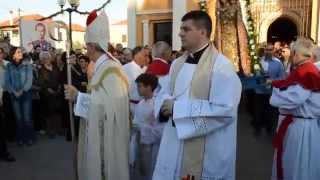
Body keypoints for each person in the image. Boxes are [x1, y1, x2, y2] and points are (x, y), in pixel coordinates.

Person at [152, 10, 242, 180]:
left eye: (186, 29)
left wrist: (177, 109)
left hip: (206, 149)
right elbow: (164, 92)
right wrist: (163, 105)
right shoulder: (177, 64)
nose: (180, 33)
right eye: (181, 29)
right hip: (174, 141)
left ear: (202, 32)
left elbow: (225, 110)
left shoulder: (222, 67)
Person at [64, 10, 130, 180]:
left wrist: (78, 97)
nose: (85, 49)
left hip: (107, 141)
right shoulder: (101, 67)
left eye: (87, 45)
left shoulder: (112, 70)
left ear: (92, 46)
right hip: (97, 132)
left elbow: (109, 108)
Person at [270, 38, 320, 180]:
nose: (291, 56)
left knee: (297, 168)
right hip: (302, 125)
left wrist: (276, 93)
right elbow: (289, 85)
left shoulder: (307, 72)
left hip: (302, 128)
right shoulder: (305, 70)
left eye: (293, 53)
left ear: (297, 54)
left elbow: (294, 99)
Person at [133, 73, 164, 180]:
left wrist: (140, 127)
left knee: (150, 172)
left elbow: (160, 131)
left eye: (140, 86)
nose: (138, 89)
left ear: (149, 87)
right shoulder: (141, 103)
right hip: (139, 142)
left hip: (152, 148)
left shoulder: (157, 104)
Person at [252, 43, 285, 137]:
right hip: (259, 91)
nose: (268, 52)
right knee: (258, 111)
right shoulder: (258, 61)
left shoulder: (278, 63)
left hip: (271, 92)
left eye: (270, 50)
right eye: (267, 50)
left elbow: (282, 78)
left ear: (274, 51)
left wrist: (272, 81)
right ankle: (257, 129)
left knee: (270, 112)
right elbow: (253, 74)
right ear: (264, 50)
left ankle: (269, 129)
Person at [5, 47, 34, 146]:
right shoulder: (9, 66)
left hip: (26, 94)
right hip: (14, 95)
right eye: (18, 52)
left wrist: (22, 90)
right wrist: (13, 91)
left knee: (27, 118)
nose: (21, 53)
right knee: (19, 118)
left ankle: (29, 137)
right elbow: (7, 81)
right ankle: (20, 138)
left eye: (21, 51)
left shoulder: (27, 65)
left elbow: (29, 80)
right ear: (13, 55)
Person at [38, 51, 62, 138]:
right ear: (41, 60)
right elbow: (40, 82)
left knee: (58, 111)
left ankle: (59, 129)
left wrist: (59, 86)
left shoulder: (55, 67)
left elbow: (60, 77)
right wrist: (48, 89)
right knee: (49, 112)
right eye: (44, 58)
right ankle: (51, 131)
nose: (46, 59)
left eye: (47, 58)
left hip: (57, 92)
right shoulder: (41, 70)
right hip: (47, 94)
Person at [123, 46, 149, 115]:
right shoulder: (125, 68)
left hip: (144, 106)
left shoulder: (147, 69)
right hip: (130, 106)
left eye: (148, 56)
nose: (147, 59)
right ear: (137, 55)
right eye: (145, 56)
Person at [0, 47, 15, 162]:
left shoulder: (7, 64)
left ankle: (4, 151)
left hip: (7, 93)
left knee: (7, 118)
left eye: (0, 53)